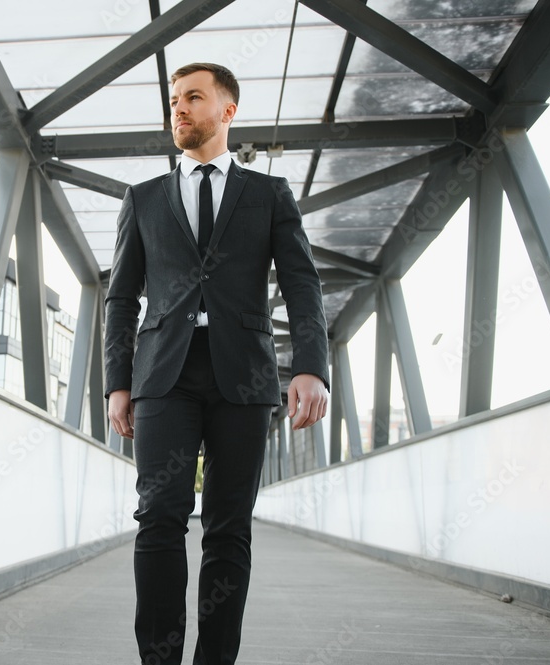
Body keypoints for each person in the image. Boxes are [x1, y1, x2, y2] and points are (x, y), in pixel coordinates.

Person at [104, 62, 330, 665]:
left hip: (245, 376)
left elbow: (303, 284)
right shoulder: (143, 199)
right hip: (162, 377)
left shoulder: (269, 194)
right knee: (159, 519)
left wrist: (310, 365)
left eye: (193, 97)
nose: (178, 108)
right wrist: (116, 384)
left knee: (229, 528)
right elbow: (122, 297)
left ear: (227, 111)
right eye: (174, 99)